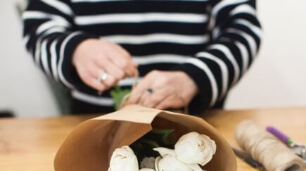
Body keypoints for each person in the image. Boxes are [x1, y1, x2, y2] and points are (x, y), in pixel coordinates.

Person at [22, 0, 262, 115]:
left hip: (196, 131)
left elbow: (242, 30)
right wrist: (75, 50)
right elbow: (39, 28)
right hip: (95, 128)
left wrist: (194, 77)